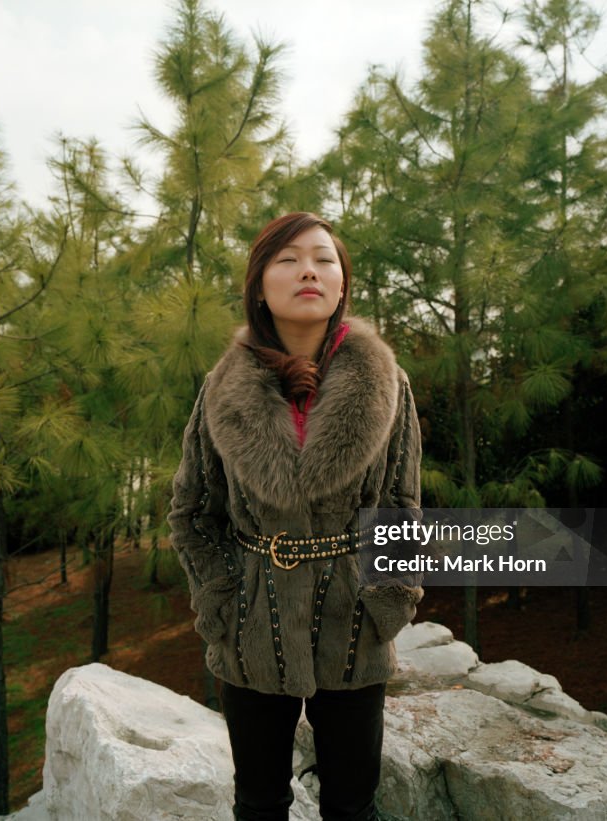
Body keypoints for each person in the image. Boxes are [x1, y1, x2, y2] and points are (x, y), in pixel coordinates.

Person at [168, 212, 424, 821]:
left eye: (323, 259)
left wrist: (389, 601)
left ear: (340, 286)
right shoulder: (220, 387)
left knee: (351, 805)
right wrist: (222, 602)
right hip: (252, 618)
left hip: (354, 616)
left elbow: (401, 506)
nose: (308, 269)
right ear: (260, 285)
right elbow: (192, 513)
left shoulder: (387, 383)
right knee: (258, 802)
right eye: (287, 259)